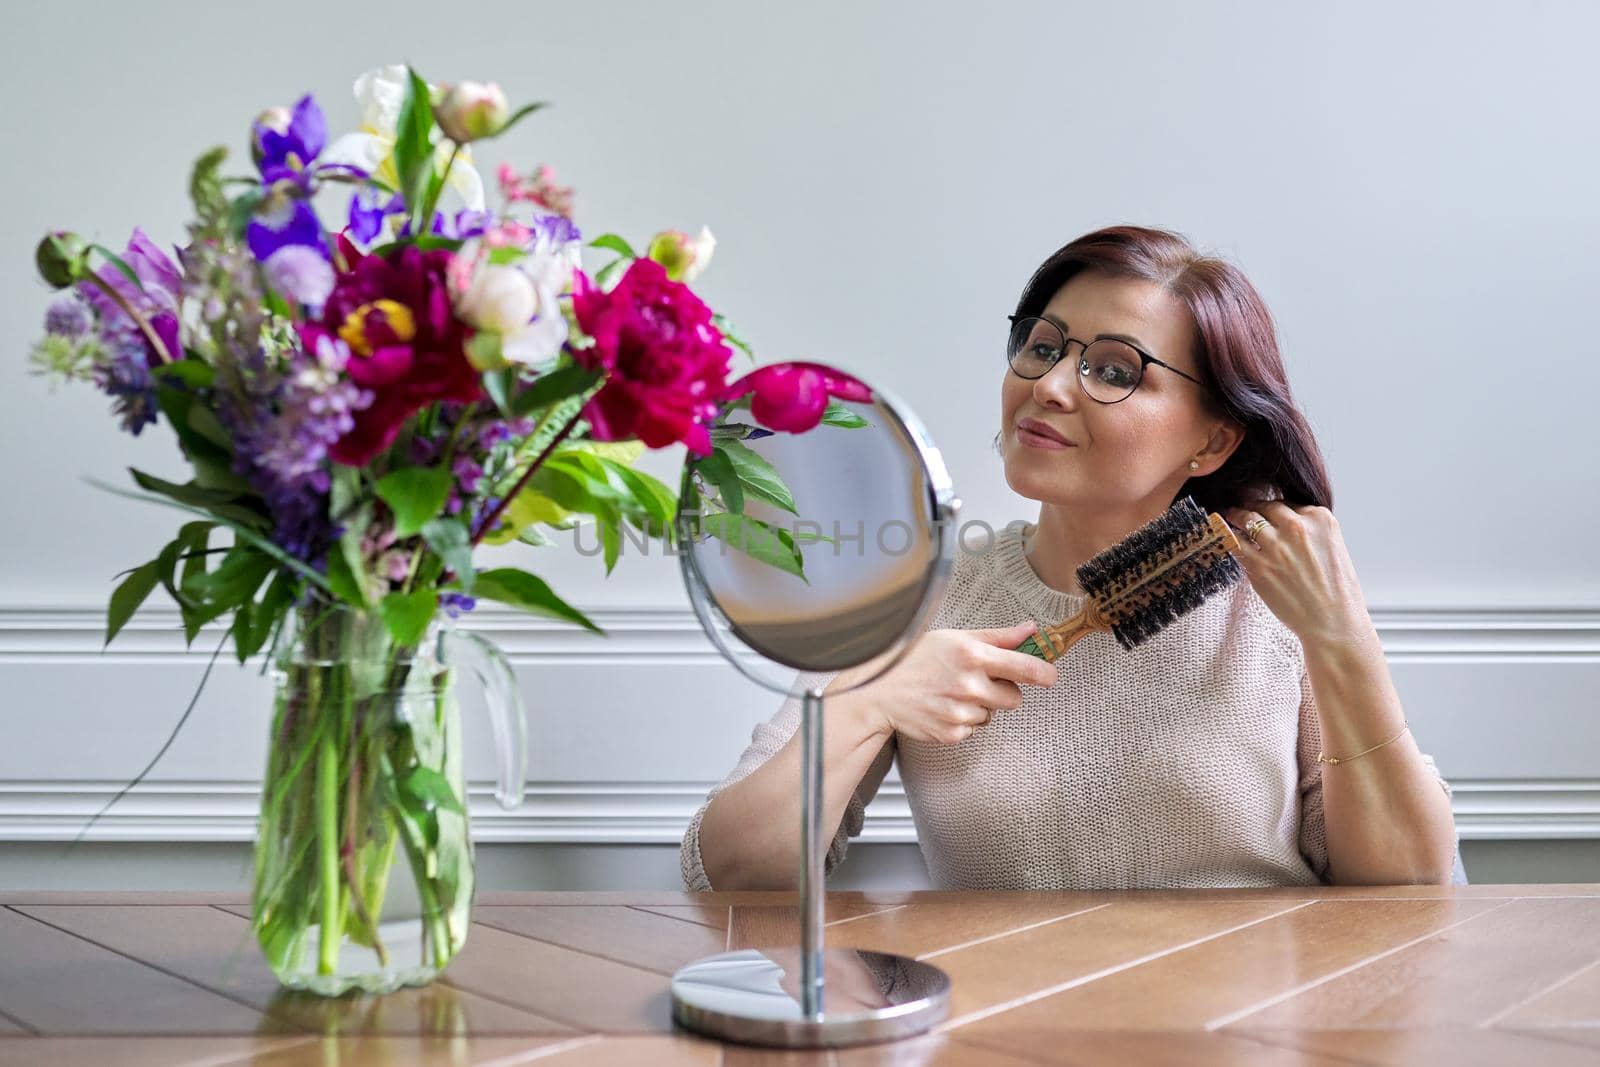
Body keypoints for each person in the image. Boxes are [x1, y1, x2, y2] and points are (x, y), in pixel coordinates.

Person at [680, 224, 1462, 891]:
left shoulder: (1274, 602)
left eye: (1115, 370)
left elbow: (1414, 890)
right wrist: (870, 697)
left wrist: (1341, 639)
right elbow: (725, 873)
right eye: (1042, 346)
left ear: (1213, 439)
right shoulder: (922, 593)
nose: (1050, 385)